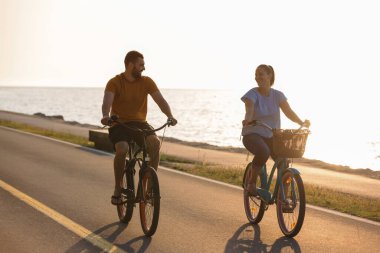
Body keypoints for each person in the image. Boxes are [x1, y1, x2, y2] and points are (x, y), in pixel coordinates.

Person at [101, 50, 177, 205]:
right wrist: (105, 116)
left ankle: (149, 190)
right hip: (119, 123)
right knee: (122, 149)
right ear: (130, 65)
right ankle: (118, 187)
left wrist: (170, 115)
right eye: (141, 64)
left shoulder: (147, 82)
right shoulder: (114, 82)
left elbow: (160, 101)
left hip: (139, 123)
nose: (144, 68)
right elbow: (106, 103)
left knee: (154, 144)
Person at [241, 64, 309, 196]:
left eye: (261, 74)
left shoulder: (278, 95)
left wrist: (301, 122)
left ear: (269, 75)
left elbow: (288, 112)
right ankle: (251, 184)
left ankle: (283, 198)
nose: (257, 77)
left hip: (272, 136)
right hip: (252, 134)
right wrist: (248, 120)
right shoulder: (252, 94)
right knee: (263, 151)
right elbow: (249, 107)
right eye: (256, 74)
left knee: (284, 162)